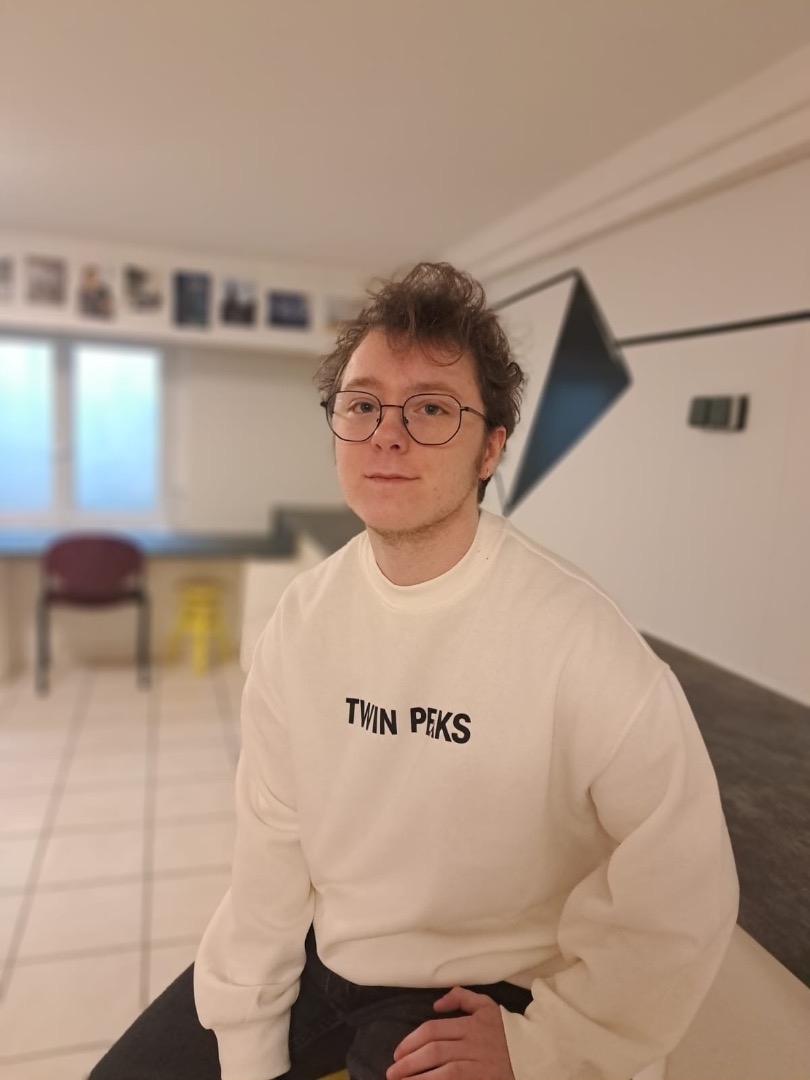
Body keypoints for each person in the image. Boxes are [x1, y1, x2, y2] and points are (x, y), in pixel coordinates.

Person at [91, 262, 738, 1080]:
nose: (386, 435)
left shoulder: (578, 639)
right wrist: (249, 1046)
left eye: (431, 408)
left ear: (490, 447)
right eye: (361, 405)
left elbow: (682, 876)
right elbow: (270, 850)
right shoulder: (302, 620)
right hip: (329, 955)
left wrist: (550, 1042)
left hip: (481, 982)